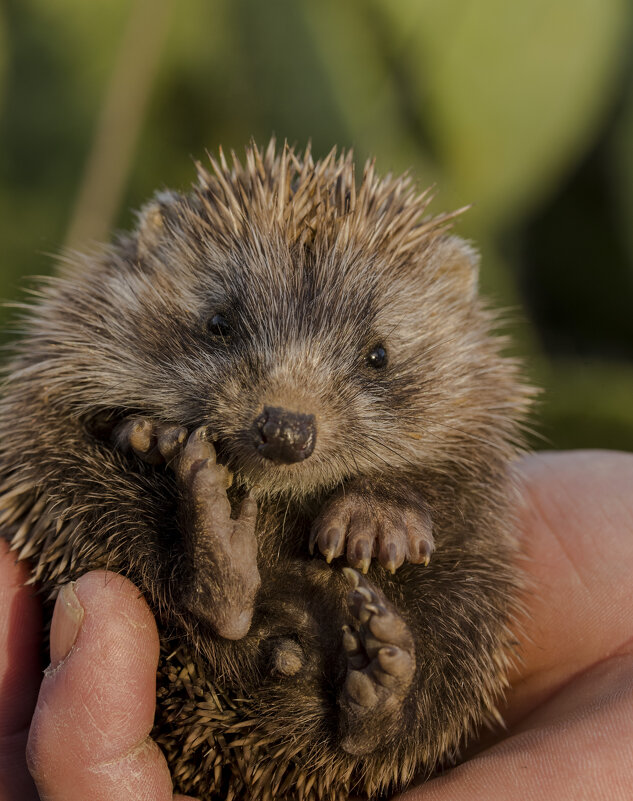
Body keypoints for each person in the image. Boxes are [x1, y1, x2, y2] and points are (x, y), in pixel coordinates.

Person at [1, 451, 632, 801]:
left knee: (459, 589)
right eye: (225, 327)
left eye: (373, 359)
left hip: (270, 654)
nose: (288, 423)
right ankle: (356, 706)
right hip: (199, 650)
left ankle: (239, 604)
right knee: (95, 480)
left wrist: (393, 495)